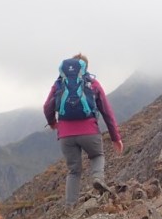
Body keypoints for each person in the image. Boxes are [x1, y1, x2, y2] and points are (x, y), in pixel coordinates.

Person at [42, 53, 124, 204]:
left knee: (73, 171)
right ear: (85, 67)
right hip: (89, 132)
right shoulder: (92, 83)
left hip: (66, 135)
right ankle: (98, 178)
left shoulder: (59, 84)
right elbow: (107, 112)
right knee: (97, 156)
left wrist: (53, 122)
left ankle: (70, 206)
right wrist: (115, 137)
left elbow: (47, 106)